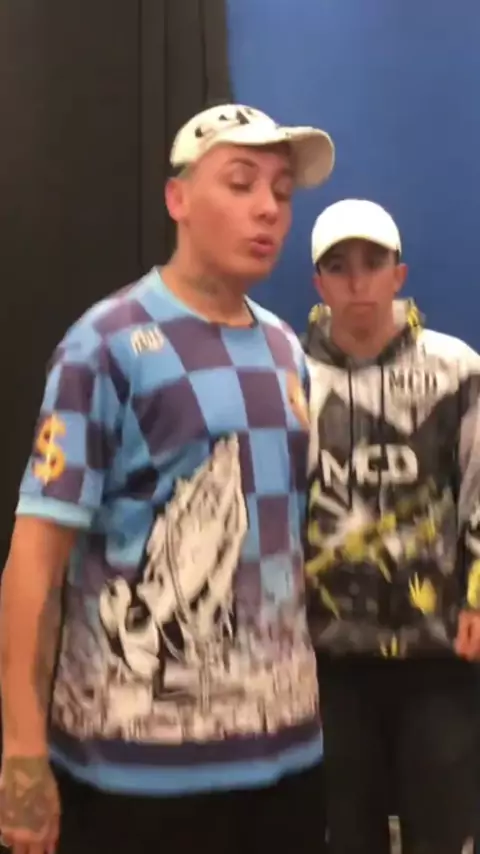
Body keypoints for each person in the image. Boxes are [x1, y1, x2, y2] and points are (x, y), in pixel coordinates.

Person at [0, 103, 334, 854]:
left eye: (281, 192)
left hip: (286, 761)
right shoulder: (106, 344)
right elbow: (35, 562)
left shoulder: (288, 350)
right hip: (134, 774)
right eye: (241, 183)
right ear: (177, 198)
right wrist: (21, 753)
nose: (267, 208)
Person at [303, 198, 480, 854]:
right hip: (326, 657)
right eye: (339, 266)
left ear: (398, 274)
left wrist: (477, 597)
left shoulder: (456, 369)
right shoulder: (288, 376)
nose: (357, 281)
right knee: (346, 837)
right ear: (318, 284)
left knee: (442, 834)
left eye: (373, 263)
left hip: (436, 651)